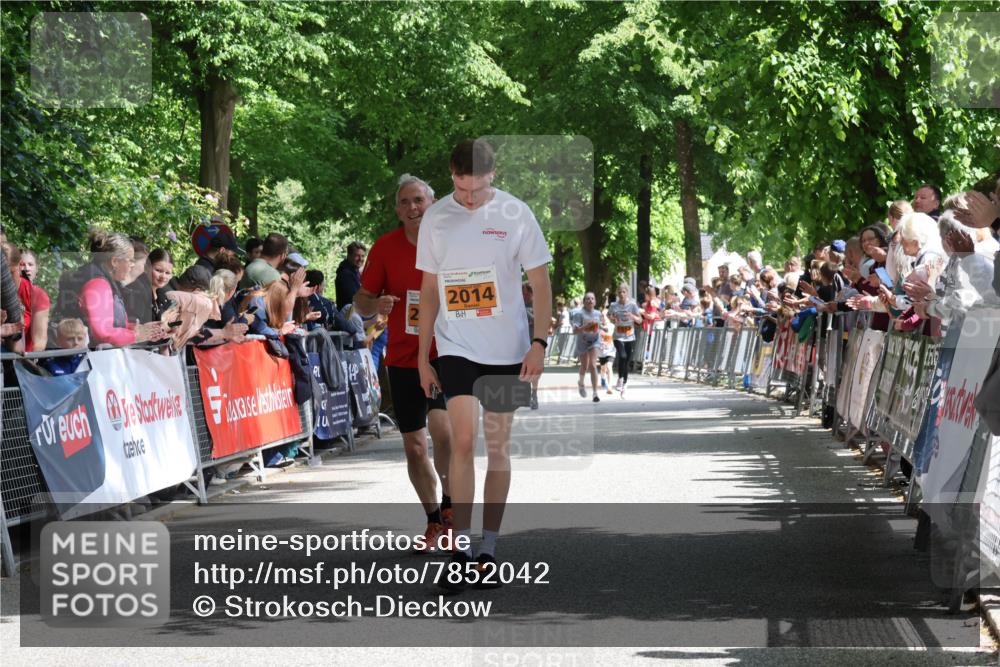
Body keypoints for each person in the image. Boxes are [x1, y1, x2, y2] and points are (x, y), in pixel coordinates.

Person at [415, 139, 552, 586]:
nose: (468, 199)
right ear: (451, 176)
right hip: (455, 345)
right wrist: (422, 354)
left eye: (476, 190)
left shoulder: (516, 214)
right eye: (460, 188)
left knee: (496, 448)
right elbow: (430, 291)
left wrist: (539, 343)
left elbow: (541, 282)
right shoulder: (436, 218)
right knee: (461, 441)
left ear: (494, 175)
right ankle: (461, 547)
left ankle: (488, 549)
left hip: (509, 349)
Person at [354, 174, 454, 550]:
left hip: (444, 353)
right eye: (405, 202)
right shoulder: (384, 248)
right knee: (414, 446)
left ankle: (449, 508)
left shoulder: (450, 242)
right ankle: (432, 520)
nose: (413, 208)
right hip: (402, 358)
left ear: (432, 203)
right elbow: (360, 300)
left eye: (419, 200)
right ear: (397, 210)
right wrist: (375, 305)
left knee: (443, 432)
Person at [78, 230, 168, 347]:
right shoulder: (98, 284)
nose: (132, 265)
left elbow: (111, 324)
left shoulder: (107, 282)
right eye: (130, 260)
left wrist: (137, 329)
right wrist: (135, 336)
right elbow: (102, 333)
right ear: (115, 261)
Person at [607, 283, 643, 397]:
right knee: (622, 356)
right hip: (618, 336)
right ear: (617, 294)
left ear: (627, 293)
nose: (621, 294)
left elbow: (640, 320)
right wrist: (613, 318)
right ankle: (620, 379)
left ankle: (624, 383)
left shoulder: (632, 305)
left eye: (624, 292)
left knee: (627, 360)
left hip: (630, 336)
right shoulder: (613, 305)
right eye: (620, 292)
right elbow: (608, 316)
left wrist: (633, 317)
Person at [123, 248, 174, 324]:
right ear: (146, 267)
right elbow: (133, 326)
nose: (163, 276)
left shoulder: (162, 295)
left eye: (167, 273)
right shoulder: (135, 291)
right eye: (158, 270)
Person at [571, 291, 604, 402]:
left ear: (595, 302)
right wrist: (585, 326)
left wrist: (603, 331)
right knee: (584, 366)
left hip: (595, 341)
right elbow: (575, 331)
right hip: (583, 342)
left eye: (592, 299)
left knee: (593, 365)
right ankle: (581, 383)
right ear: (584, 302)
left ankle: (595, 393)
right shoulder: (578, 314)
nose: (590, 300)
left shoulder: (598, 314)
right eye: (587, 299)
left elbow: (600, 327)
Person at [18, 248, 50, 351]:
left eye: (30, 265)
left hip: (26, 359)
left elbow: (40, 339)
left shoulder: (39, 295)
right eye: (22, 264)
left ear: (37, 269)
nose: (26, 268)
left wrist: (32, 362)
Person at [336, 241, 367, 309]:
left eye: (362, 256)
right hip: (349, 315)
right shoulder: (345, 274)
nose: (360, 259)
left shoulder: (354, 271)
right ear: (349, 256)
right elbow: (355, 299)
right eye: (357, 256)